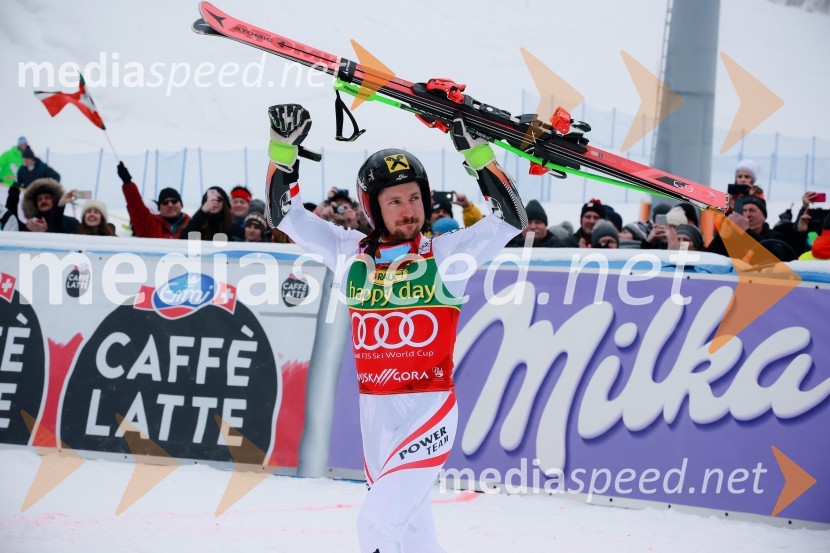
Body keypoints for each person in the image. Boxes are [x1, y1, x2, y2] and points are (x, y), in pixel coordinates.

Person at [264, 103, 526, 553]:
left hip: (429, 413)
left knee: (377, 527)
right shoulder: (348, 250)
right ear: (373, 208)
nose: (409, 210)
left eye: (415, 198)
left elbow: (510, 219)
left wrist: (476, 153)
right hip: (376, 418)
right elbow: (282, 214)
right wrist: (283, 150)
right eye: (395, 201)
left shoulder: (447, 255)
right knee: (412, 535)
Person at [118, 162, 191, 239]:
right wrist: (128, 183)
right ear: (159, 208)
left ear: (181, 205)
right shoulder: (150, 224)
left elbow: (196, 249)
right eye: (165, 202)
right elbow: (136, 207)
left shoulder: (193, 225)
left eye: (174, 201)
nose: (170, 205)